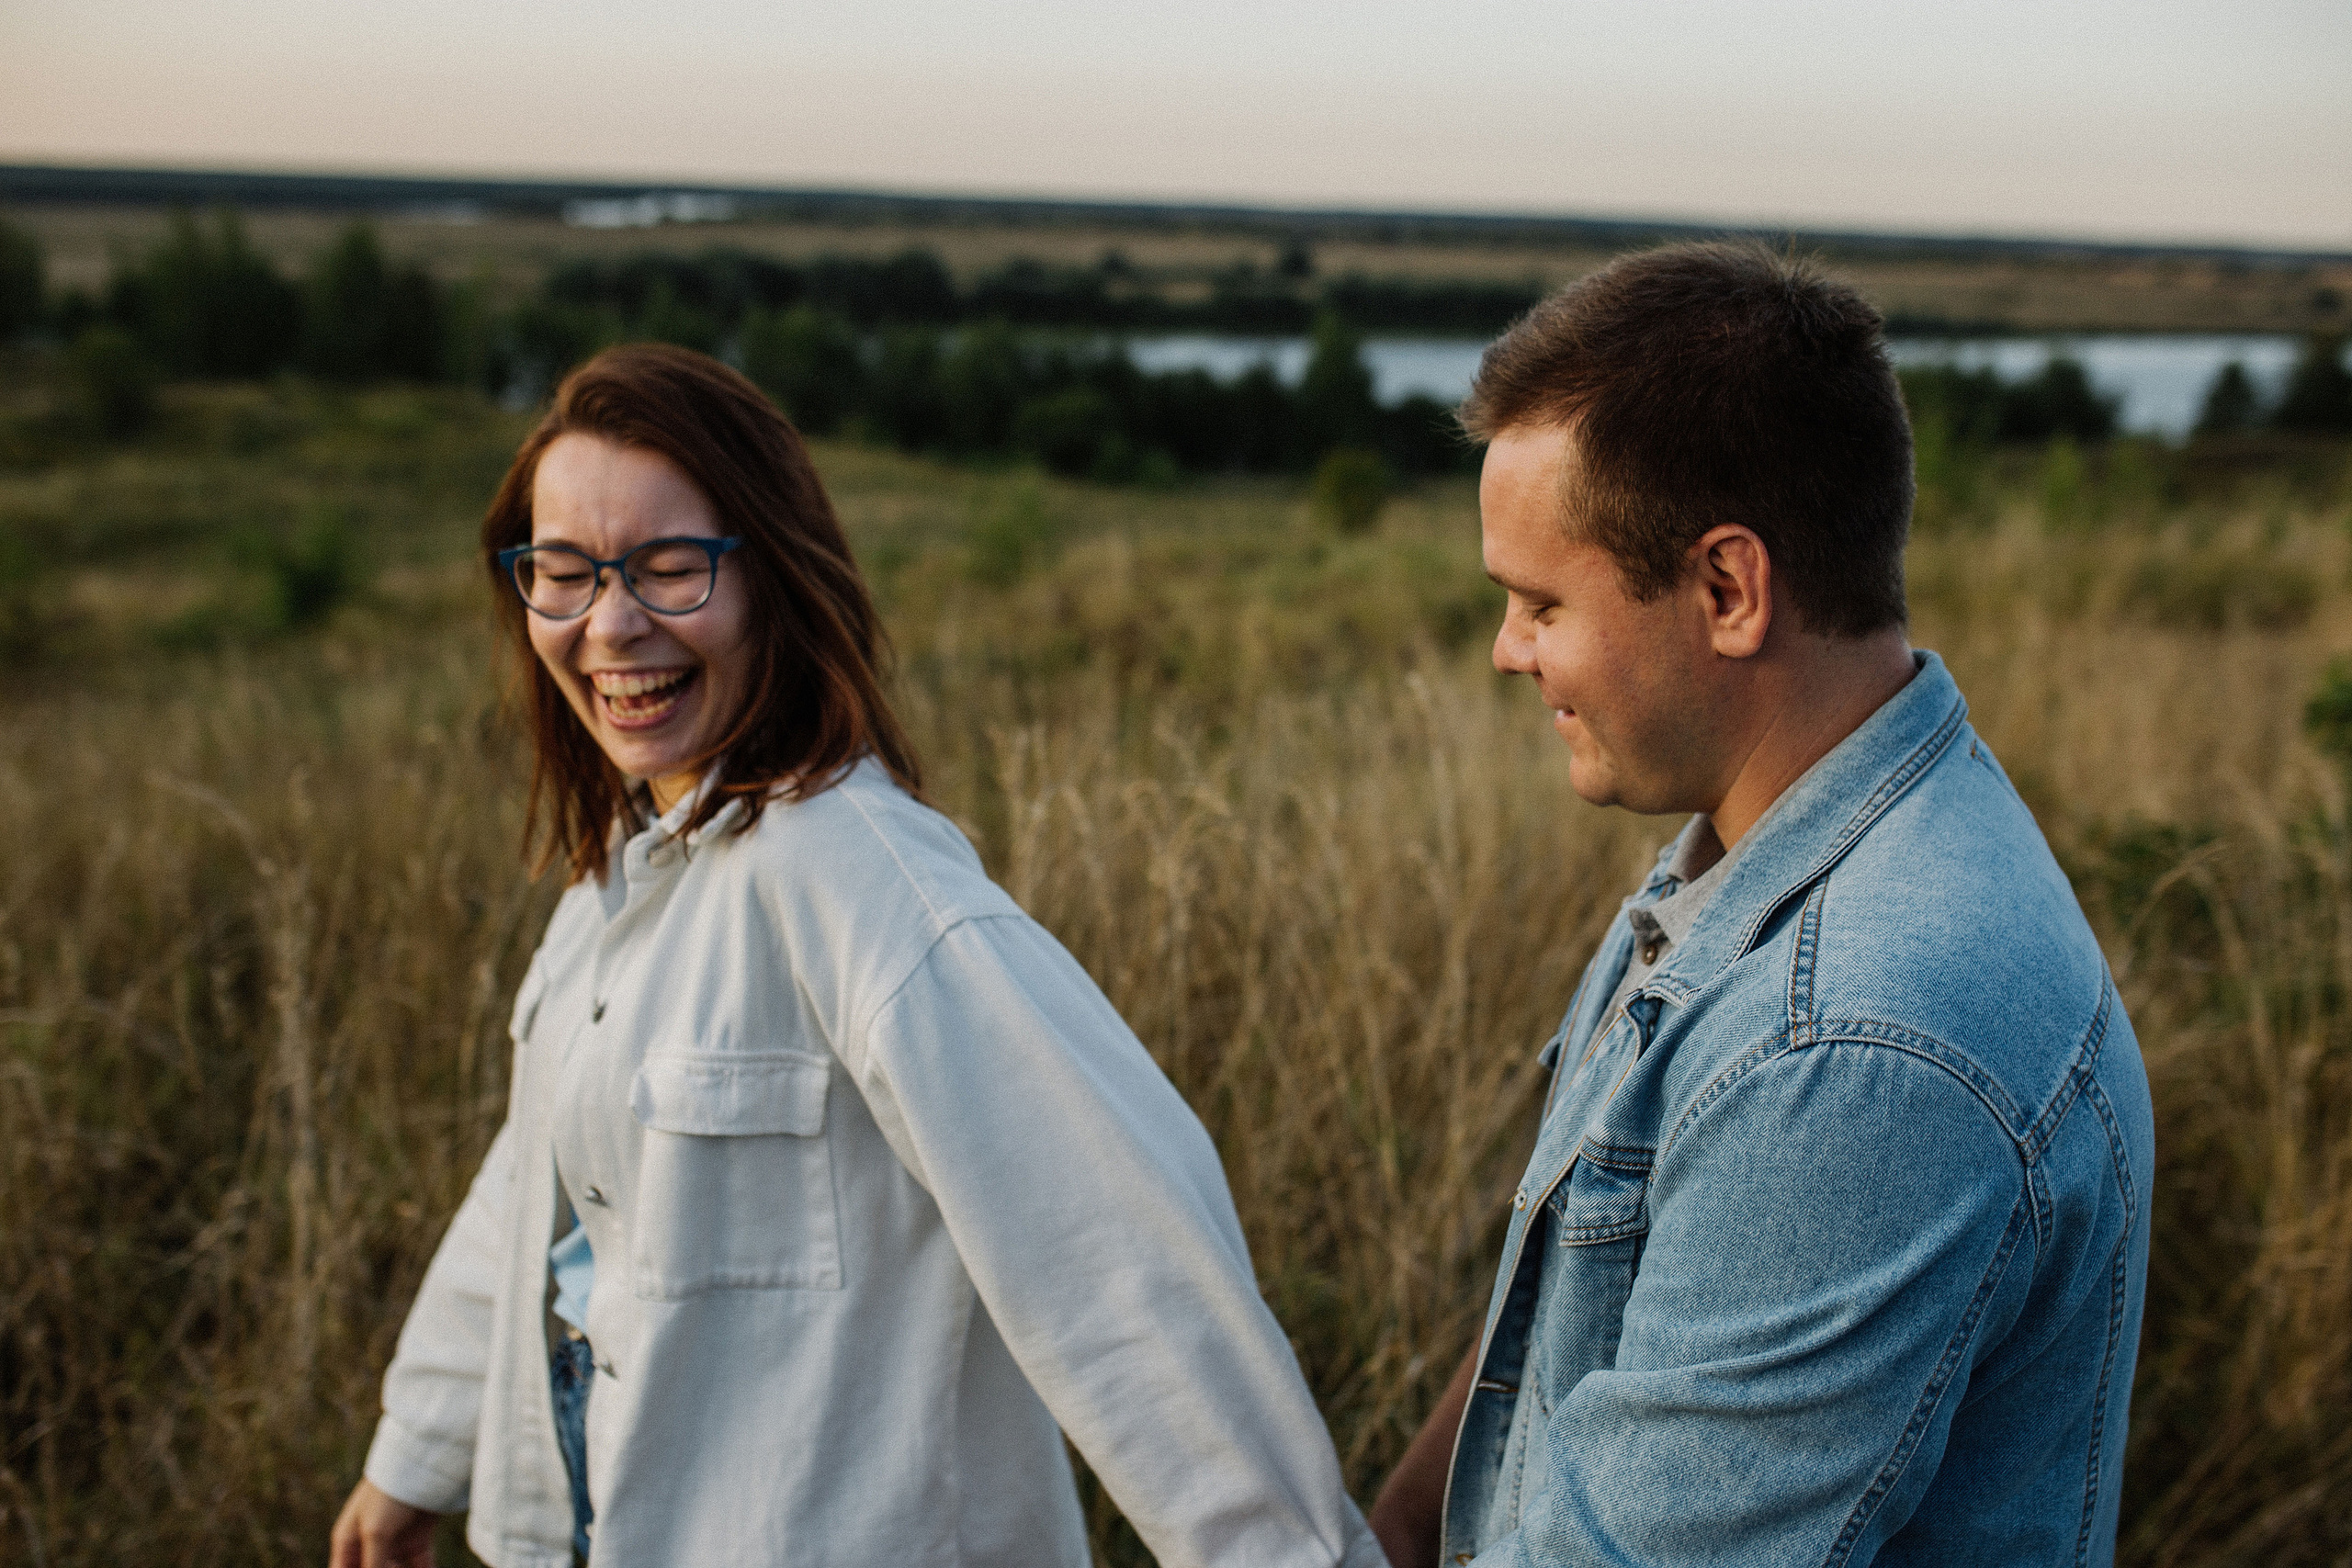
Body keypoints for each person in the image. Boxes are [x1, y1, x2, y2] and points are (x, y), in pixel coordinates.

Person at [329, 344, 1388, 1568]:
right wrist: (417, 1451)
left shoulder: (865, 885)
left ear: (773, 574)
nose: (610, 624)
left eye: (671, 569)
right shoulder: (621, 871)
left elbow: (1119, 1268)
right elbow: (540, 1178)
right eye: (563, 574)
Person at [1365, 243, 2154, 1567]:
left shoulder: (1857, 1041)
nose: (1510, 650)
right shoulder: (1766, 862)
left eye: (1540, 602)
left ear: (1728, 590)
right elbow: (1578, 1320)